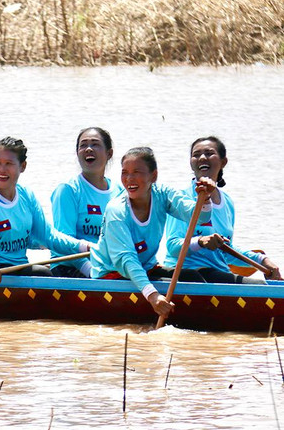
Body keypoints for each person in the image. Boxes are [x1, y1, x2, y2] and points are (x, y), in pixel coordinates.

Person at [90, 147, 216, 318]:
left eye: (137, 172)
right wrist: (153, 296)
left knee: (193, 277)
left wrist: (206, 197)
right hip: (112, 273)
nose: (129, 179)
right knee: (174, 288)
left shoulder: (163, 194)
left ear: (153, 176)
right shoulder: (116, 211)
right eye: (125, 173)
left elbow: (199, 217)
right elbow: (126, 260)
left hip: (145, 267)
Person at [0, 137, 89, 283]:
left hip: (18, 269)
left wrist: (85, 246)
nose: (2, 170)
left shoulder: (26, 195)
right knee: (43, 273)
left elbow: (48, 237)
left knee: (45, 274)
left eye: (9, 164)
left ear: (23, 166)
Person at [164, 136, 280, 283]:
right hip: (187, 273)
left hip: (217, 272)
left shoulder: (228, 203)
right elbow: (173, 247)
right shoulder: (181, 198)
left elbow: (226, 251)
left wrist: (262, 260)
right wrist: (200, 242)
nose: (202, 158)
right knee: (259, 284)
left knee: (266, 284)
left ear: (223, 162)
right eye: (196, 155)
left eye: (209, 153)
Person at [51, 127, 122, 278]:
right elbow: (64, 242)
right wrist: (89, 270)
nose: (88, 149)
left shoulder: (120, 192)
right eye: (83, 145)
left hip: (108, 266)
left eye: (95, 144)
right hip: (70, 265)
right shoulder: (68, 190)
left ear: (109, 154)